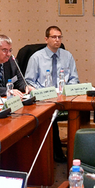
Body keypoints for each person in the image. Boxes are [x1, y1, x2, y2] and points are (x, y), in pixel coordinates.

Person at [25, 26, 79, 161]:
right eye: (54, 37)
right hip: (44, 99)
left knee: (77, 114)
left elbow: (74, 78)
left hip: (64, 98)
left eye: (59, 37)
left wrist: (66, 91)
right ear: (46, 39)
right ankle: (54, 152)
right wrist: (44, 92)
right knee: (50, 115)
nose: (57, 40)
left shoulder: (67, 56)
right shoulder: (36, 58)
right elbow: (29, 81)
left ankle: (75, 152)